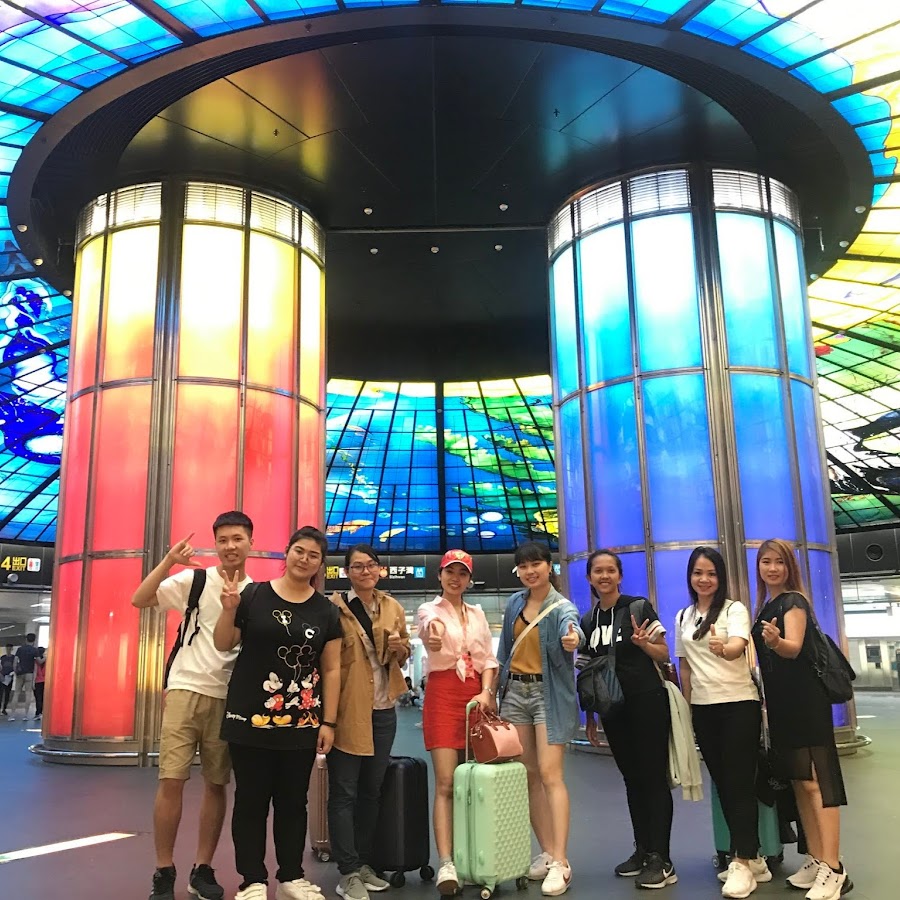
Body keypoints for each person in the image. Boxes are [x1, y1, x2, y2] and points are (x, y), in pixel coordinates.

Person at [132, 510, 255, 900]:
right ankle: (163, 870)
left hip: (227, 696)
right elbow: (140, 598)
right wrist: (170, 560)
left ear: (250, 542)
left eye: (237, 538)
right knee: (171, 780)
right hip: (184, 689)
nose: (230, 546)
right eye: (223, 540)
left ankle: (202, 869)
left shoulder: (256, 593)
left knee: (217, 784)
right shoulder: (195, 580)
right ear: (215, 544)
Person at [214, 525, 342, 900]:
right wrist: (228, 610)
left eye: (314, 555)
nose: (305, 559)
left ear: (320, 563)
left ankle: (291, 877)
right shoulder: (253, 595)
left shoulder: (325, 611)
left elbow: (332, 668)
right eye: (299, 551)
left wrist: (329, 722)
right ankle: (252, 880)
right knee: (250, 801)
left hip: (302, 721)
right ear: (287, 552)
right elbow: (224, 643)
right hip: (249, 718)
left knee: (293, 802)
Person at [752, 539, 851, 900]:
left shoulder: (793, 601)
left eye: (779, 562)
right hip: (782, 707)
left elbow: (793, 647)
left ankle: (834, 868)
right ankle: (816, 858)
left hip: (806, 703)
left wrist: (777, 642)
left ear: (790, 567)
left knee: (816, 785)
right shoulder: (765, 606)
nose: (772, 568)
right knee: (798, 783)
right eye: (766, 561)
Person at [580, 550, 676, 890]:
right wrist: (590, 716)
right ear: (590, 578)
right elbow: (587, 671)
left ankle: (662, 859)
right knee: (632, 779)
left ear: (619, 576)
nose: (604, 576)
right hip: (613, 708)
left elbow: (664, 652)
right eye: (598, 571)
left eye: (611, 570)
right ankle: (643, 850)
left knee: (653, 777)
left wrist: (645, 644)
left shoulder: (637, 608)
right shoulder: (588, 620)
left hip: (646, 701)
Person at [675, 547, 767, 899]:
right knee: (725, 786)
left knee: (740, 784)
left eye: (711, 573)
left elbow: (737, 647)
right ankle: (751, 857)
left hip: (739, 704)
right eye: (698, 573)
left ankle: (742, 862)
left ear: (721, 577)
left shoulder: (734, 609)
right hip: (704, 708)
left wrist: (722, 648)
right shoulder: (683, 616)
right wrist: (687, 709)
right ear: (690, 577)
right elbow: (684, 666)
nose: (704, 579)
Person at [496, 542, 583, 897]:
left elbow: (571, 628)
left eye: (536, 564)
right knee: (528, 775)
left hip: (548, 695)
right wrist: (492, 693)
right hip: (515, 694)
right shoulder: (514, 604)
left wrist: (572, 638)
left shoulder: (562, 607)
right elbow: (503, 653)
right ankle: (547, 852)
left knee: (550, 775)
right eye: (524, 566)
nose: (530, 571)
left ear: (549, 566)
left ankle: (561, 862)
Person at [328, 544, 411, 900]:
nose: (365, 571)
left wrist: (401, 649)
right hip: (348, 711)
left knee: (371, 791)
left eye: (371, 565)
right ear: (347, 572)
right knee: (344, 791)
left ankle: (362, 863)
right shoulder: (334, 610)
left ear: (380, 569)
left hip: (383, 710)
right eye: (358, 566)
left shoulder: (392, 607)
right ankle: (347, 872)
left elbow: (403, 655)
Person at [416, 549, 499, 896]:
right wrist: (432, 634)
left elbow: (488, 659)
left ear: (469, 579)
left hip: (476, 697)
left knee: (475, 783)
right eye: (450, 572)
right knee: (447, 782)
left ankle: (477, 856)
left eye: (462, 573)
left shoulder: (477, 614)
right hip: (442, 694)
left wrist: (487, 692)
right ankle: (447, 862)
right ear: (440, 575)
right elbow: (428, 630)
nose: (455, 578)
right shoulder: (429, 609)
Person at [8, 632, 41, 720]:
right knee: (28, 693)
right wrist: (45, 658)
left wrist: (15, 671)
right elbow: (39, 661)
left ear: (26, 639)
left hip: (20, 673)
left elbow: (15, 662)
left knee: (16, 693)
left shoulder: (20, 649)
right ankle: (25, 715)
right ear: (34, 640)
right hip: (29, 674)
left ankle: (12, 715)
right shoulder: (35, 650)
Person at [33, 647, 47, 720]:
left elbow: (35, 672)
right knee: (43, 697)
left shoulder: (36, 661)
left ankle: (38, 712)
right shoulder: (47, 661)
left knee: (38, 698)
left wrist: (33, 682)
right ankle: (43, 712)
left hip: (37, 681)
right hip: (45, 681)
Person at [0, 643, 14, 716]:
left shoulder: (13, 658)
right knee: (1, 693)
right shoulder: (2, 658)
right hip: (2, 677)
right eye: (7, 649)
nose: (8, 650)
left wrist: (12, 673)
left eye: (9, 649)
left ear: (11, 649)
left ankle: (4, 708)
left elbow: (15, 666)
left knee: (7, 693)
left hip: (10, 677)